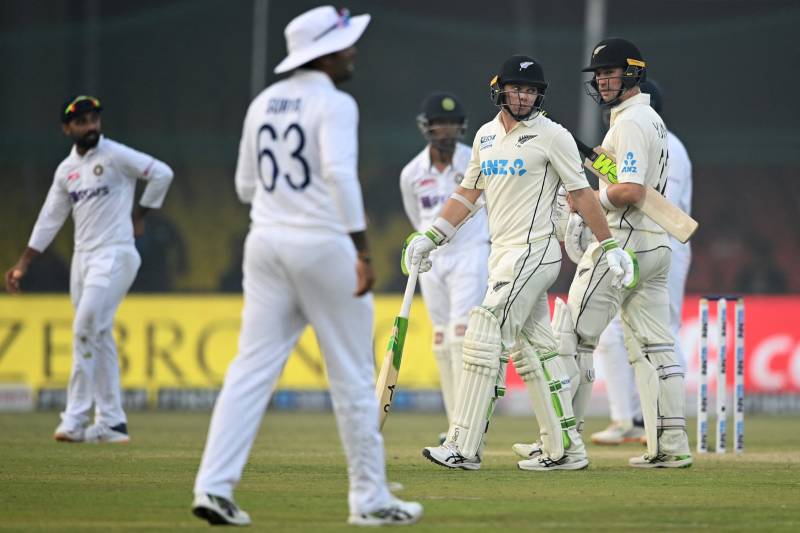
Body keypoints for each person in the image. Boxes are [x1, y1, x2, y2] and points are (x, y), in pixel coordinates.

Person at [191, 6, 422, 527]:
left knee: (249, 371)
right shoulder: (335, 104)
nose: (353, 51)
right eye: (346, 44)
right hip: (321, 244)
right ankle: (369, 499)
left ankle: (213, 486)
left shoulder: (263, 102)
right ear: (326, 52)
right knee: (352, 374)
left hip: (265, 243)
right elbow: (340, 176)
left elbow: (245, 188)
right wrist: (363, 251)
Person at [406, 55, 635, 472]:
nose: (524, 96)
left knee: (484, 330)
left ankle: (463, 445)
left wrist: (607, 246)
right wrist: (432, 236)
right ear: (499, 91)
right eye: (517, 88)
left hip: (536, 251)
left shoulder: (553, 136)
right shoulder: (485, 137)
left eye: (531, 90)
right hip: (502, 254)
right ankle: (565, 448)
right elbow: (466, 194)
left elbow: (582, 195)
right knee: (536, 353)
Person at [515, 38, 692, 469]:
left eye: (610, 73)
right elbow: (629, 178)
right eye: (599, 75)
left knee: (571, 339)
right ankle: (671, 447)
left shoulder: (631, 121)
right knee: (655, 347)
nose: (602, 81)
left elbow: (629, 190)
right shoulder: (648, 119)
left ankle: (561, 446)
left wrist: (588, 201)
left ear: (632, 73)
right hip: (656, 246)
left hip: (623, 245)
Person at [4, 94, 174, 443]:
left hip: (115, 254)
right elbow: (50, 218)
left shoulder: (114, 155)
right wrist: (23, 263)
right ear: (67, 129)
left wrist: (139, 216)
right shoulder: (66, 171)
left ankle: (74, 418)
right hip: (83, 260)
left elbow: (162, 173)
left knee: (84, 327)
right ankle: (112, 423)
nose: (91, 126)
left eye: (94, 119)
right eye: (81, 122)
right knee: (99, 334)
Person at [590, 80, 694, 445]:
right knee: (620, 335)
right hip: (636, 240)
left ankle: (664, 420)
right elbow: (618, 184)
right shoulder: (630, 134)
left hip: (660, 241)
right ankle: (632, 418)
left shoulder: (667, 144)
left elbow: (654, 202)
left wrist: (600, 198)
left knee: (660, 333)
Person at [399, 92, 489, 441]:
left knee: (460, 336)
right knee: (440, 339)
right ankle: (455, 424)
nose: (446, 130)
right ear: (427, 127)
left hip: (470, 251)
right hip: (433, 259)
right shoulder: (411, 173)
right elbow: (416, 216)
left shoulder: (474, 161)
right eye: (440, 123)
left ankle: (465, 425)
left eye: (452, 124)